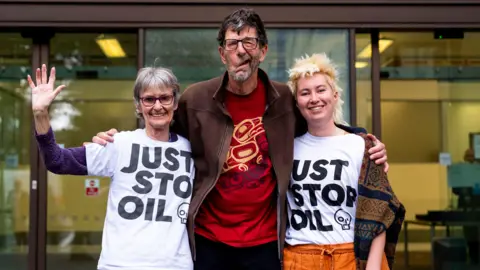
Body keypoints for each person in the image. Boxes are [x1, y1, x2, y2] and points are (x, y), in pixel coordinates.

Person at [92, 8, 389, 270]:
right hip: (209, 238)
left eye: (249, 42)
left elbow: (320, 127)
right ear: (223, 53)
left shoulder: (284, 99)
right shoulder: (196, 99)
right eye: (233, 43)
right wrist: (118, 139)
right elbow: (161, 136)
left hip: (266, 240)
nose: (241, 51)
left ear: (263, 50)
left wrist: (362, 141)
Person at [29, 64, 195, 270]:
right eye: (149, 99)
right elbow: (56, 160)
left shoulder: (192, 149)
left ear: (175, 102)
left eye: (165, 98)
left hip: (175, 265)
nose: (158, 106)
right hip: (120, 265)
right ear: (138, 105)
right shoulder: (118, 144)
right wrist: (40, 113)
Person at [283, 53, 405, 270]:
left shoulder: (363, 147)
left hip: (351, 257)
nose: (314, 98)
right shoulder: (285, 150)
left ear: (335, 95)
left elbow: (379, 212)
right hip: (300, 258)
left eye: (321, 89)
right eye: (305, 92)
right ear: (297, 102)